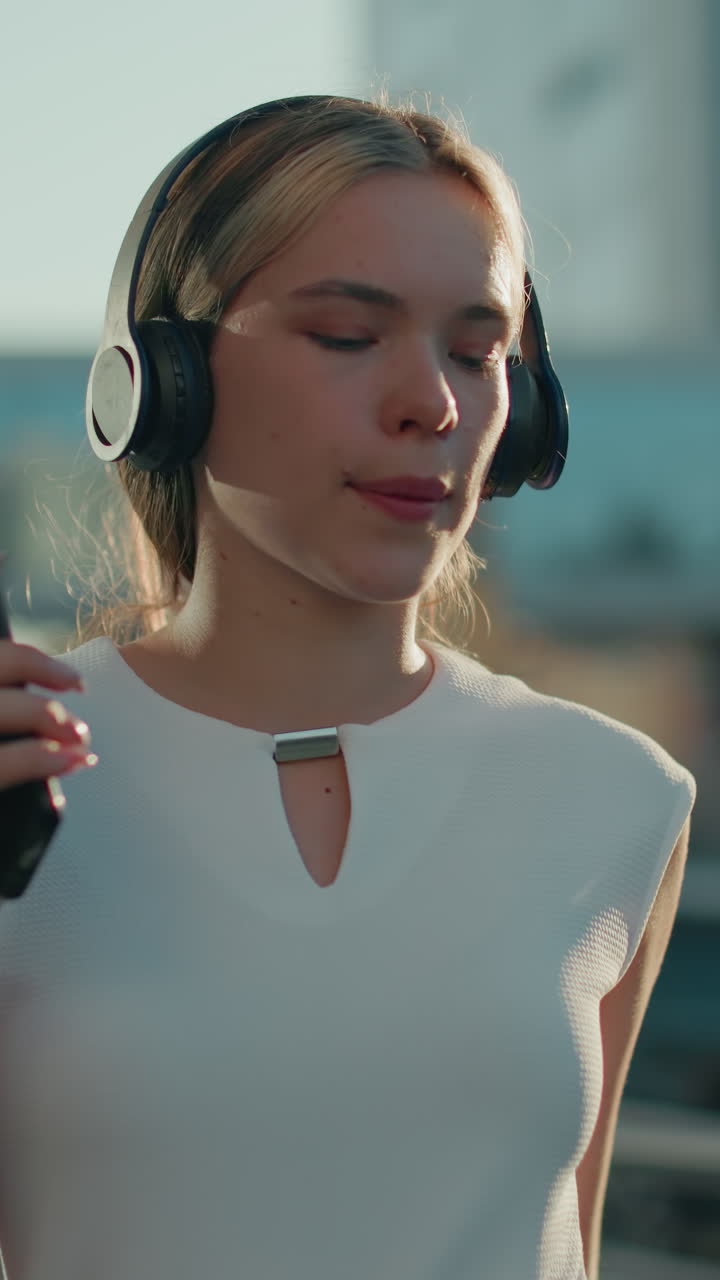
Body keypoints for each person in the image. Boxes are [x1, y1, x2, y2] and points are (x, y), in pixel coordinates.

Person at [0, 95, 695, 1280]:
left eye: (478, 351)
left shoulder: (617, 795)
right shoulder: (21, 772)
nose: (434, 402)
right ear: (166, 378)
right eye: (345, 334)